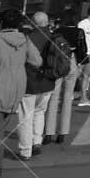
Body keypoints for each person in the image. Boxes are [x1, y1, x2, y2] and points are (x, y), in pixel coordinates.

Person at [0, 9, 41, 178]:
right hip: (17, 88)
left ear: (1, 23)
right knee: (0, 129)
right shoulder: (24, 40)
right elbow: (37, 61)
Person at [21, 12, 69, 155]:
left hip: (30, 81)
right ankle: (36, 142)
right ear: (47, 22)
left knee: (26, 116)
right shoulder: (55, 37)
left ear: (33, 23)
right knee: (40, 112)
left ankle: (26, 149)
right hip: (48, 81)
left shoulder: (27, 37)